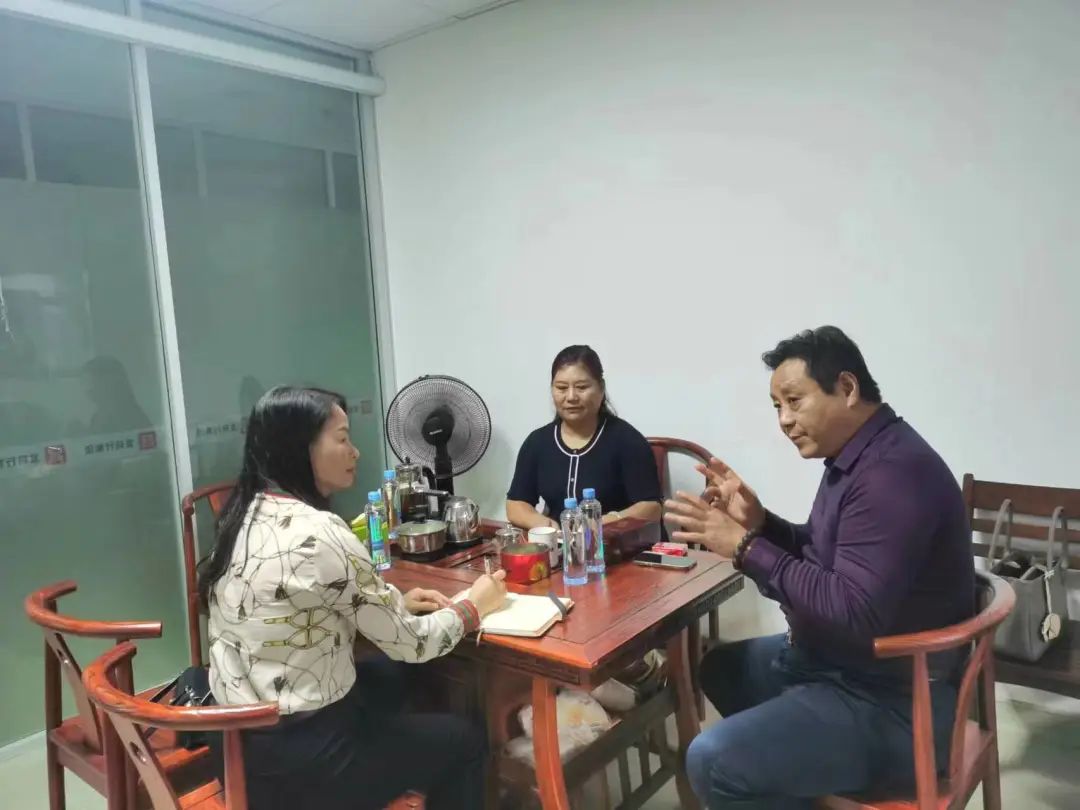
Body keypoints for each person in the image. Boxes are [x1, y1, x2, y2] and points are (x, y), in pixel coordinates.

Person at [664, 326, 974, 809]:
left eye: (794, 401)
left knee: (712, 760)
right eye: (776, 407)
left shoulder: (892, 475)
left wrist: (744, 547)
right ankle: (794, 778)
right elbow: (818, 553)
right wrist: (760, 524)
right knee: (720, 669)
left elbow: (852, 609)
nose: (784, 421)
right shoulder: (859, 457)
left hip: (897, 704)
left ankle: (807, 764)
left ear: (846, 388)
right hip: (845, 666)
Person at [198, 386, 507, 810]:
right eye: (342, 438)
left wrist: (394, 603)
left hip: (238, 749)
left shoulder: (243, 514)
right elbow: (414, 643)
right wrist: (474, 605)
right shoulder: (320, 532)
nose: (355, 452)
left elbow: (297, 603)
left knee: (393, 676)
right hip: (304, 763)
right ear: (300, 448)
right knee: (464, 741)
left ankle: (393, 765)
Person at [506, 345, 663, 530]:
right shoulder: (537, 442)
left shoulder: (627, 441)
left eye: (581, 387)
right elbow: (516, 503)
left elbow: (651, 508)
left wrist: (604, 523)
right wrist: (543, 524)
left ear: (601, 388)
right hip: (560, 543)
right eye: (561, 388)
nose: (571, 397)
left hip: (616, 543)